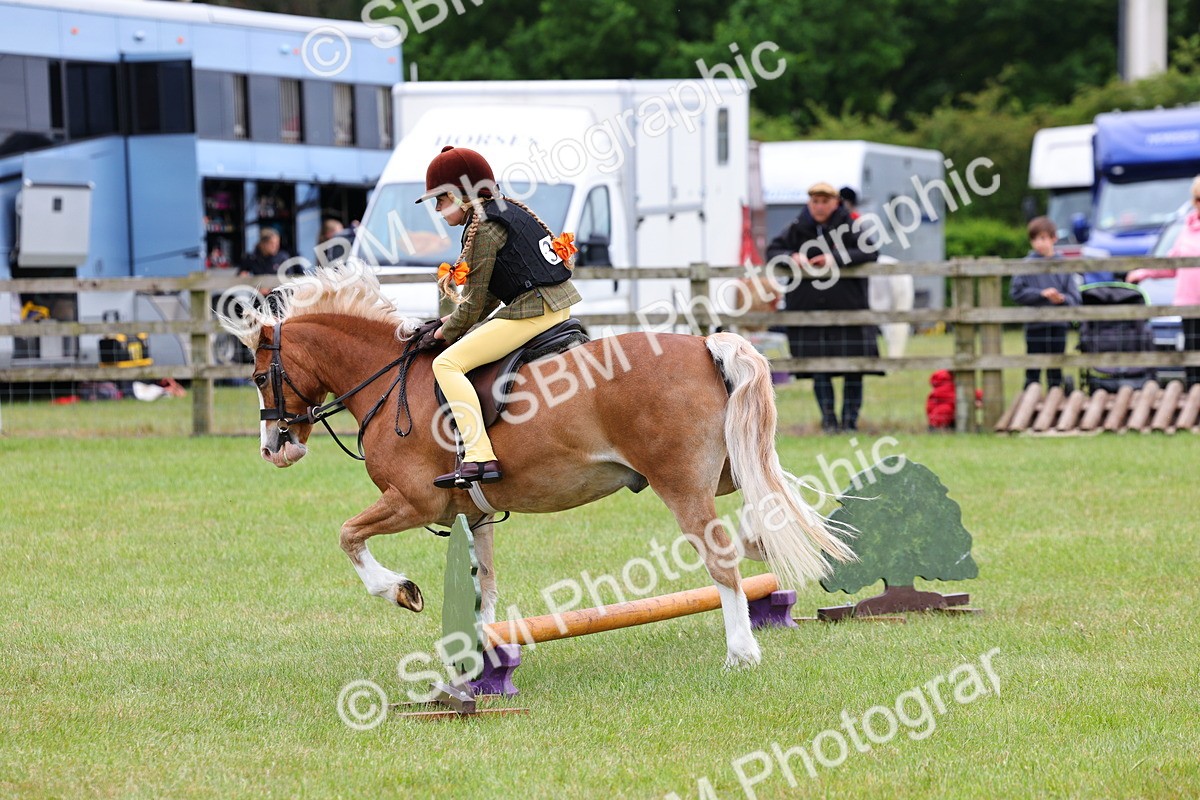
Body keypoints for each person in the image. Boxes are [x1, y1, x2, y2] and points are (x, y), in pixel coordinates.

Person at [419, 146, 582, 488]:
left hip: (533, 310)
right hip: (556, 304)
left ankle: (478, 455)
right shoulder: (506, 211)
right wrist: (453, 324)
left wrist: (445, 335)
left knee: (446, 365)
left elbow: (475, 301)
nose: (436, 209)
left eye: (439, 199)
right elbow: (495, 288)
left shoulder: (483, 227)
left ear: (459, 195)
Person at [766, 181, 879, 433]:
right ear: (809, 203)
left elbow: (870, 251)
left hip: (848, 309)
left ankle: (849, 422)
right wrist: (793, 257)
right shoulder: (798, 227)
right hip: (809, 310)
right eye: (815, 201)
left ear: (835, 203)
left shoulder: (849, 225)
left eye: (824, 202)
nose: (818, 207)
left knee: (854, 368)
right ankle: (828, 421)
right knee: (818, 368)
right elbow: (773, 250)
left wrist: (834, 258)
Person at [1126, 174, 1200, 388]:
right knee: (1192, 352)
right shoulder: (1185, 230)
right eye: (1197, 199)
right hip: (1188, 304)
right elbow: (1170, 264)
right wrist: (1143, 272)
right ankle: (1193, 400)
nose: (1199, 204)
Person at [1011, 216, 1080, 388]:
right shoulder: (1025, 265)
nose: (1038, 243)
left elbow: (1075, 298)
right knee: (1032, 371)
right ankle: (1029, 406)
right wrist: (1041, 294)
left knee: (1055, 371)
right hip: (1034, 326)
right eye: (1034, 239)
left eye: (1042, 238)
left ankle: (1055, 405)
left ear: (1053, 238)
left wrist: (1061, 299)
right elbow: (1016, 292)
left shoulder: (1064, 265)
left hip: (1058, 326)